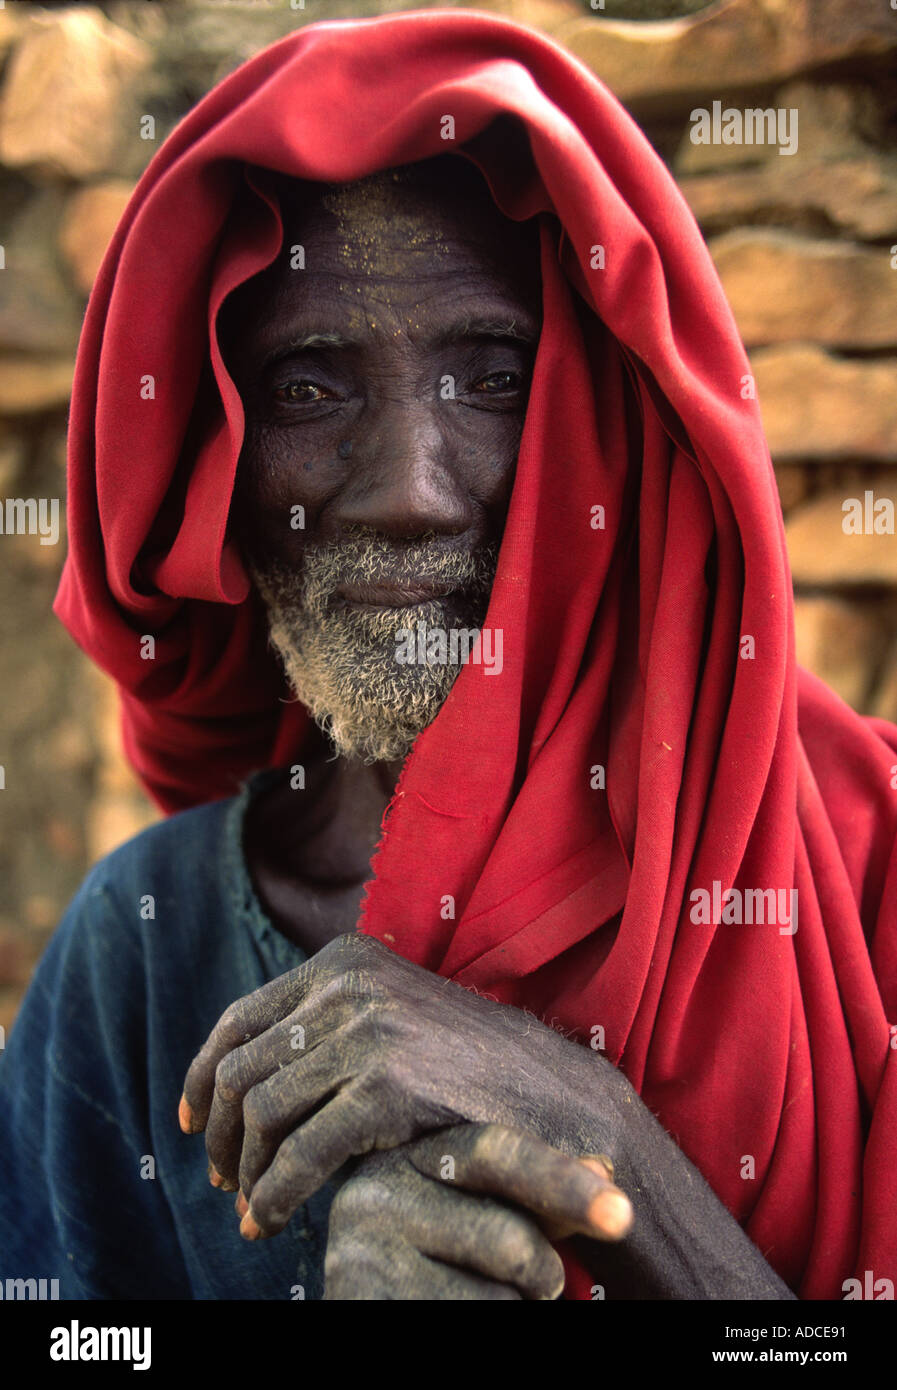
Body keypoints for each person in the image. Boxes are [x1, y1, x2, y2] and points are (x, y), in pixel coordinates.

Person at [1, 10, 895, 1302]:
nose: (411, 495)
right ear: (214, 466)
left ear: (612, 418)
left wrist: (601, 1146)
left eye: (491, 378)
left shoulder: (868, 875)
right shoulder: (146, 954)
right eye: (308, 387)